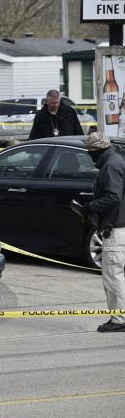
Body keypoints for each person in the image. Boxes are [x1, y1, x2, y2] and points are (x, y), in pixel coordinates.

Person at [80, 132, 125, 332]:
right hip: (119, 224)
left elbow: (113, 197)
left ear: (97, 151)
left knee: (113, 275)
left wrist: (90, 207)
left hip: (116, 228)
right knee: (117, 274)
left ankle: (119, 320)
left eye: (90, 151)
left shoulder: (110, 165)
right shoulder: (117, 160)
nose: (88, 154)